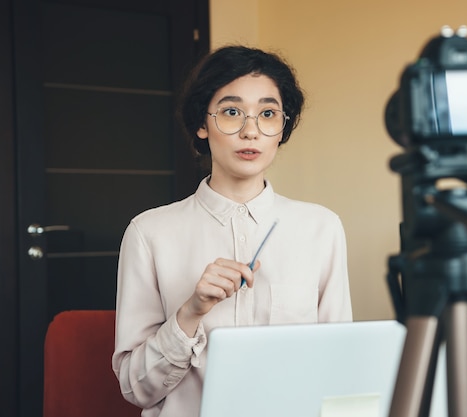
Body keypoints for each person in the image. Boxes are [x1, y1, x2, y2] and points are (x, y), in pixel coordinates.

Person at [111, 45, 353, 417]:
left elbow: (339, 370)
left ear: (281, 127)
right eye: (231, 112)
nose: (251, 130)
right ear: (202, 125)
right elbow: (136, 388)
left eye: (268, 114)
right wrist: (190, 313)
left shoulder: (321, 228)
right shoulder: (149, 233)